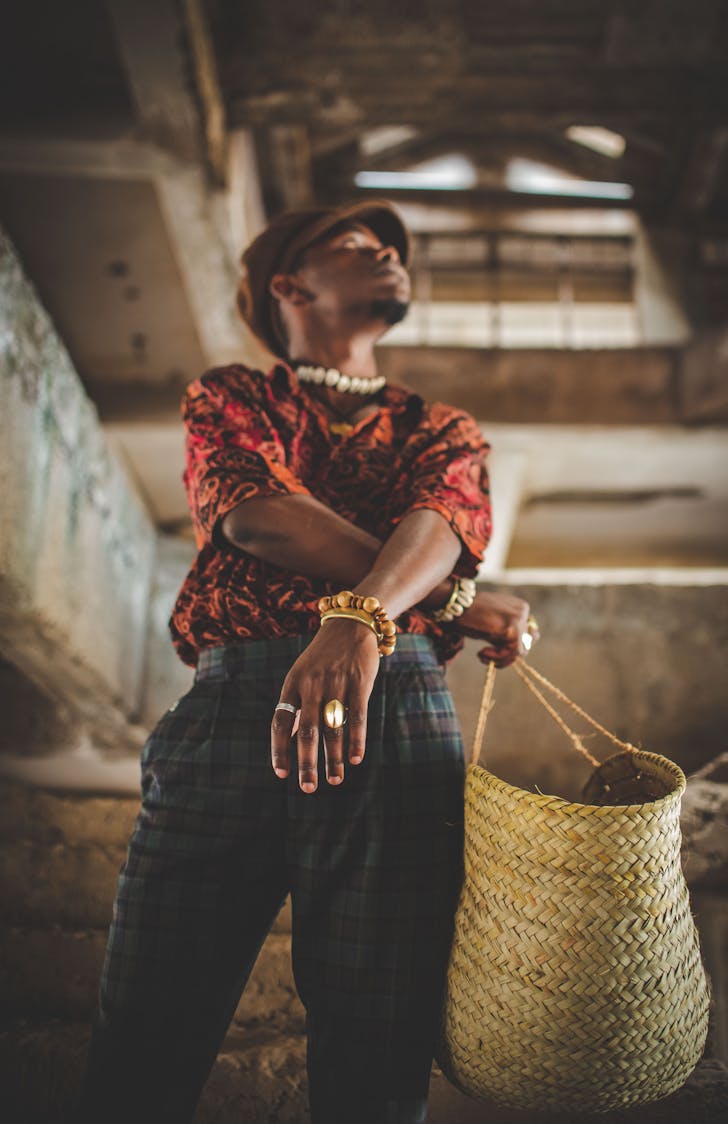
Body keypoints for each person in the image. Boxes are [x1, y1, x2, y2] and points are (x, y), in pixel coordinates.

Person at [76, 199, 537, 1123]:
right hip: (233, 704)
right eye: (362, 247)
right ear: (291, 285)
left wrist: (360, 618)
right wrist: (439, 599)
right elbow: (255, 513)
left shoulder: (442, 427)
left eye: (396, 250)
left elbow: (442, 528)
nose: (393, 257)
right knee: (146, 1021)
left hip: (396, 709)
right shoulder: (234, 397)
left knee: (380, 1041)